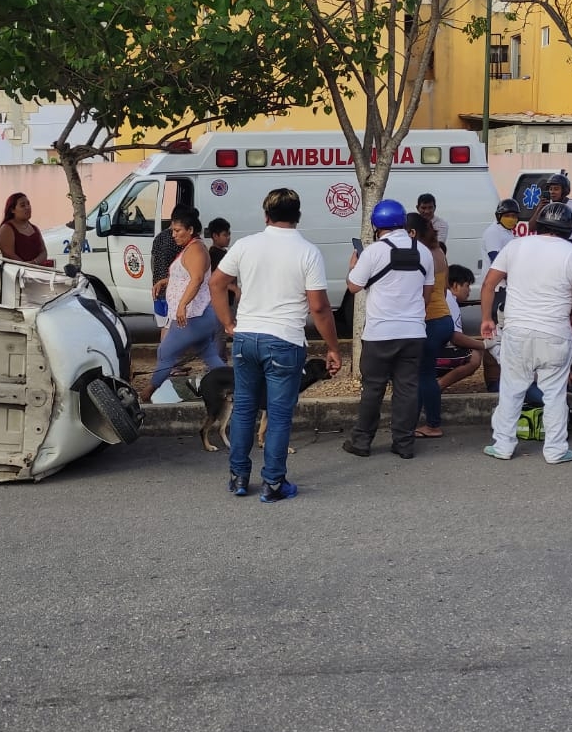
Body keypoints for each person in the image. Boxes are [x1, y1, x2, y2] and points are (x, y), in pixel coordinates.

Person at [210, 188, 343, 502]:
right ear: (298, 215)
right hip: (284, 341)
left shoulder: (245, 245)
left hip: (246, 338)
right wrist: (333, 347)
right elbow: (320, 308)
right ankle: (273, 484)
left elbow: (216, 283)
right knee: (280, 415)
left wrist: (229, 323)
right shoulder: (308, 252)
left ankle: (239, 477)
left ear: (265, 215)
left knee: (244, 409)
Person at [479, 201, 572, 464]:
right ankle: (555, 451)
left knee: (511, 390)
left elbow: (488, 284)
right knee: (554, 393)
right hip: (555, 332)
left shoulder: (515, 245)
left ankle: (503, 446)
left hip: (517, 331)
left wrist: (487, 318)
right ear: (568, 229)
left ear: (540, 223)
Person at [343, 200, 433, 460]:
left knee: (373, 387)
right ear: (403, 222)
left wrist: (353, 265)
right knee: (407, 388)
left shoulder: (373, 252)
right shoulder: (423, 251)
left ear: (376, 225)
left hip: (380, 333)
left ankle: (362, 441)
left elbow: (353, 287)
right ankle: (404, 444)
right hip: (414, 332)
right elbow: (426, 295)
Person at [148, 208, 226, 395]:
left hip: (193, 314)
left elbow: (197, 278)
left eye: (177, 230)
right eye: (173, 230)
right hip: (197, 314)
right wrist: (166, 281)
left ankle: (147, 393)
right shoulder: (191, 248)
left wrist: (182, 304)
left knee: (165, 353)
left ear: (190, 230)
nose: (173, 235)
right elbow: (187, 276)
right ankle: (237, 387)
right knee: (209, 355)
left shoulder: (196, 249)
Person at [409, 213, 453, 439]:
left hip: (430, 321)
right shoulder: (439, 252)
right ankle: (417, 422)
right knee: (424, 373)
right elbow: (444, 290)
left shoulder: (420, 254)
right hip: (444, 318)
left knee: (423, 375)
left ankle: (432, 425)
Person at [152, 205, 191, 331]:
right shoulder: (180, 240)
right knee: (172, 328)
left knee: (164, 326)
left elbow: (153, 263)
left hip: (158, 290)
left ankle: (163, 350)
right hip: (173, 291)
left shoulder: (159, 237)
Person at [537, 173, 572, 244]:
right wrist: (539, 209)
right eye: (550, 189)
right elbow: (531, 227)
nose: (552, 192)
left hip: (567, 243)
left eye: (556, 189)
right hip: (548, 243)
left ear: (564, 190)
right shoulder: (546, 204)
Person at [0, 192, 51, 265]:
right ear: (12, 210)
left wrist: (34, 263)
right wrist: (26, 266)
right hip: (17, 273)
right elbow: (9, 255)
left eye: (28, 204)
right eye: (22, 205)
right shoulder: (7, 228)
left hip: (37, 271)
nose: (27, 207)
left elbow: (43, 252)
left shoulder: (34, 228)